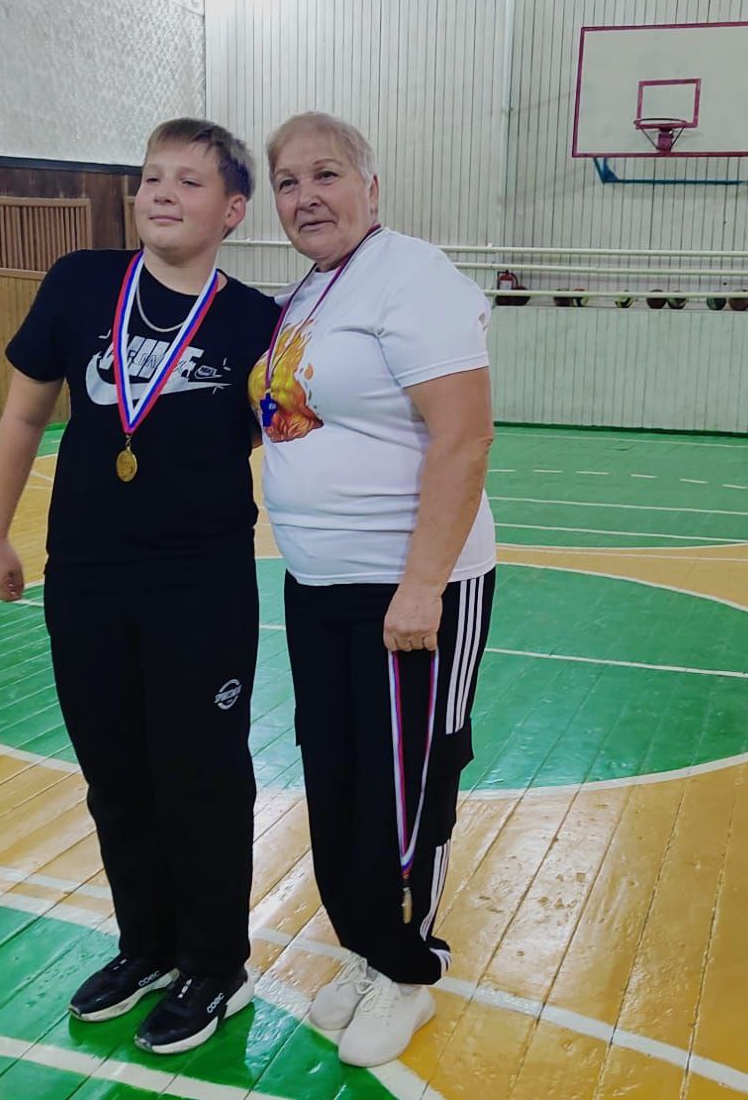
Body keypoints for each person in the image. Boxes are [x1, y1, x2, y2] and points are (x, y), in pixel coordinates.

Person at [0, 118, 278, 1054]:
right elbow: (24, 417)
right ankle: (146, 945)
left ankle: (214, 964)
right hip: (87, 578)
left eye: (189, 181)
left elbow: (282, 441)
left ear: (231, 210)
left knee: (201, 776)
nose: (162, 194)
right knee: (114, 773)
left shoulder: (257, 321)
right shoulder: (80, 283)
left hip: (201, 586)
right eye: (151, 177)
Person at [249, 113, 496, 1068]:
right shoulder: (308, 292)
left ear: (370, 186)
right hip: (318, 584)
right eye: (287, 181)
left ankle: (407, 969)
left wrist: (421, 586)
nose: (306, 197)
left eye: (326, 174)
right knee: (339, 777)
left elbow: (463, 437)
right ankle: (365, 947)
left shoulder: (411, 275)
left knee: (408, 784)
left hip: (408, 589)